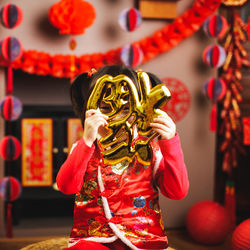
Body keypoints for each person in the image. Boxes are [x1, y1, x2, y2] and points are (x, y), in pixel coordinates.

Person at [57, 65, 189, 250]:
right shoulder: (84, 148)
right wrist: (86, 140)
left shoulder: (150, 149)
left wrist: (170, 141)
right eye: (105, 108)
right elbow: (66, 186)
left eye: (126, 109)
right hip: (93, 238)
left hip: (145, 238)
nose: (117, 117)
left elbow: (178, 192)